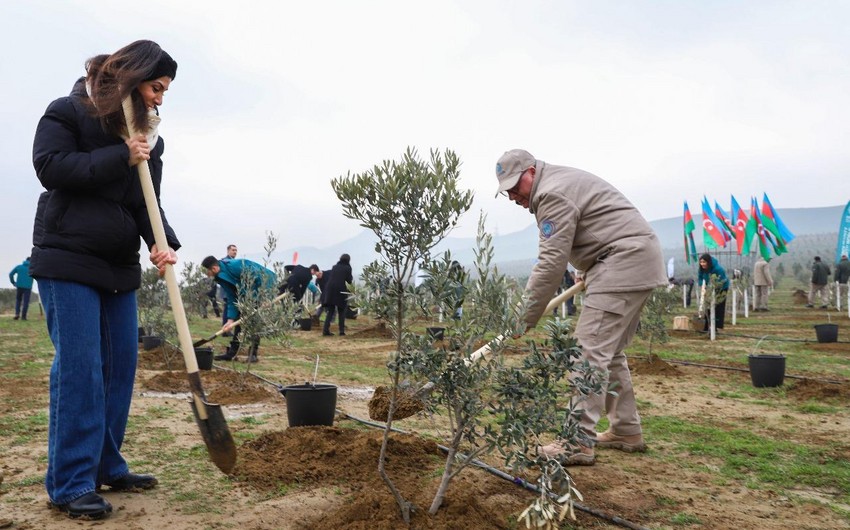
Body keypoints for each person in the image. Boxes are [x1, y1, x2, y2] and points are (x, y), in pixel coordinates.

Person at [29, 40, 179, 519]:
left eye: (164, 92)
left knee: (119, 371)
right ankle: (71, 484)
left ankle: (106, 464)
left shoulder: (148, 138)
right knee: (81, 372)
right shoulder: (68, 112)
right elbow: (49, 167)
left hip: (118, 266)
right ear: (133, 77)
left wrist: (164, 242)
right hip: (68, 259)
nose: (159, 99)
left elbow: (145, 203)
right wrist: (122, 156)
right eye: (156, 87)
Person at [494, 149, 666, 466]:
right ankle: (626, 430)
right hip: (630, 258)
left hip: (622, 261)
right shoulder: (557, 183)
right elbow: (597, 227)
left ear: (531, 171)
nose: (513, 196)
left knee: (587, 350)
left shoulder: (550, 194)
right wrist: (588, 265)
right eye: (506, 190)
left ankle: (577, 441)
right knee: (608, 351)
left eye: (516, 185)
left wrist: (523, 317)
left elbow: (549, 266)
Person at [201, 255, 275, 363]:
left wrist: (265, 297)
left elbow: (258, 277)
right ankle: (232, 353)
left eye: (207, 271)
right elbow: (232, 297)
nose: (207, 274)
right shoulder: (220, 278)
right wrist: (230, 320)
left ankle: (253, 354)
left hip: (264, 286)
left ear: (214, 269)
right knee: (239, 321)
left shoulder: (235, 266)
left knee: (255, 322)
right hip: (248, 295)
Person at [322, 254, 353, 336]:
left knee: (331, 311)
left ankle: (325, 330)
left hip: (330, 289)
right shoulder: (348, 268)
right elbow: (349, 280)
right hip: (341, 290)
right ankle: (341, 331)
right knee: (342, 310)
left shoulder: (335, 266)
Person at [697, 253, 729, 330]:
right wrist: (702, 285)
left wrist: (713, 289)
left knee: (718, 306)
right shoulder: (701, 269)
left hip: (721, 288)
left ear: (708, 262)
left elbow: (721, 281)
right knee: (708, 305)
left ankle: (715, 326)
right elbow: (700, 278)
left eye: (704, 262)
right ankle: (706, 326)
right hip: (708, 287)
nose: (702, 264)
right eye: (701, 262)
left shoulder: (718, 269)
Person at [219, 244, 238, 331]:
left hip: (231, 290)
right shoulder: (225, 261)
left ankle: (227, 329)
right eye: (233, 250)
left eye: (235, 250)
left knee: (228, 309)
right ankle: (225, 330)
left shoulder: (234, 262)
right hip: (227, 290)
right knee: (227, 309)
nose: (235, 252)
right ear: (228, 251)